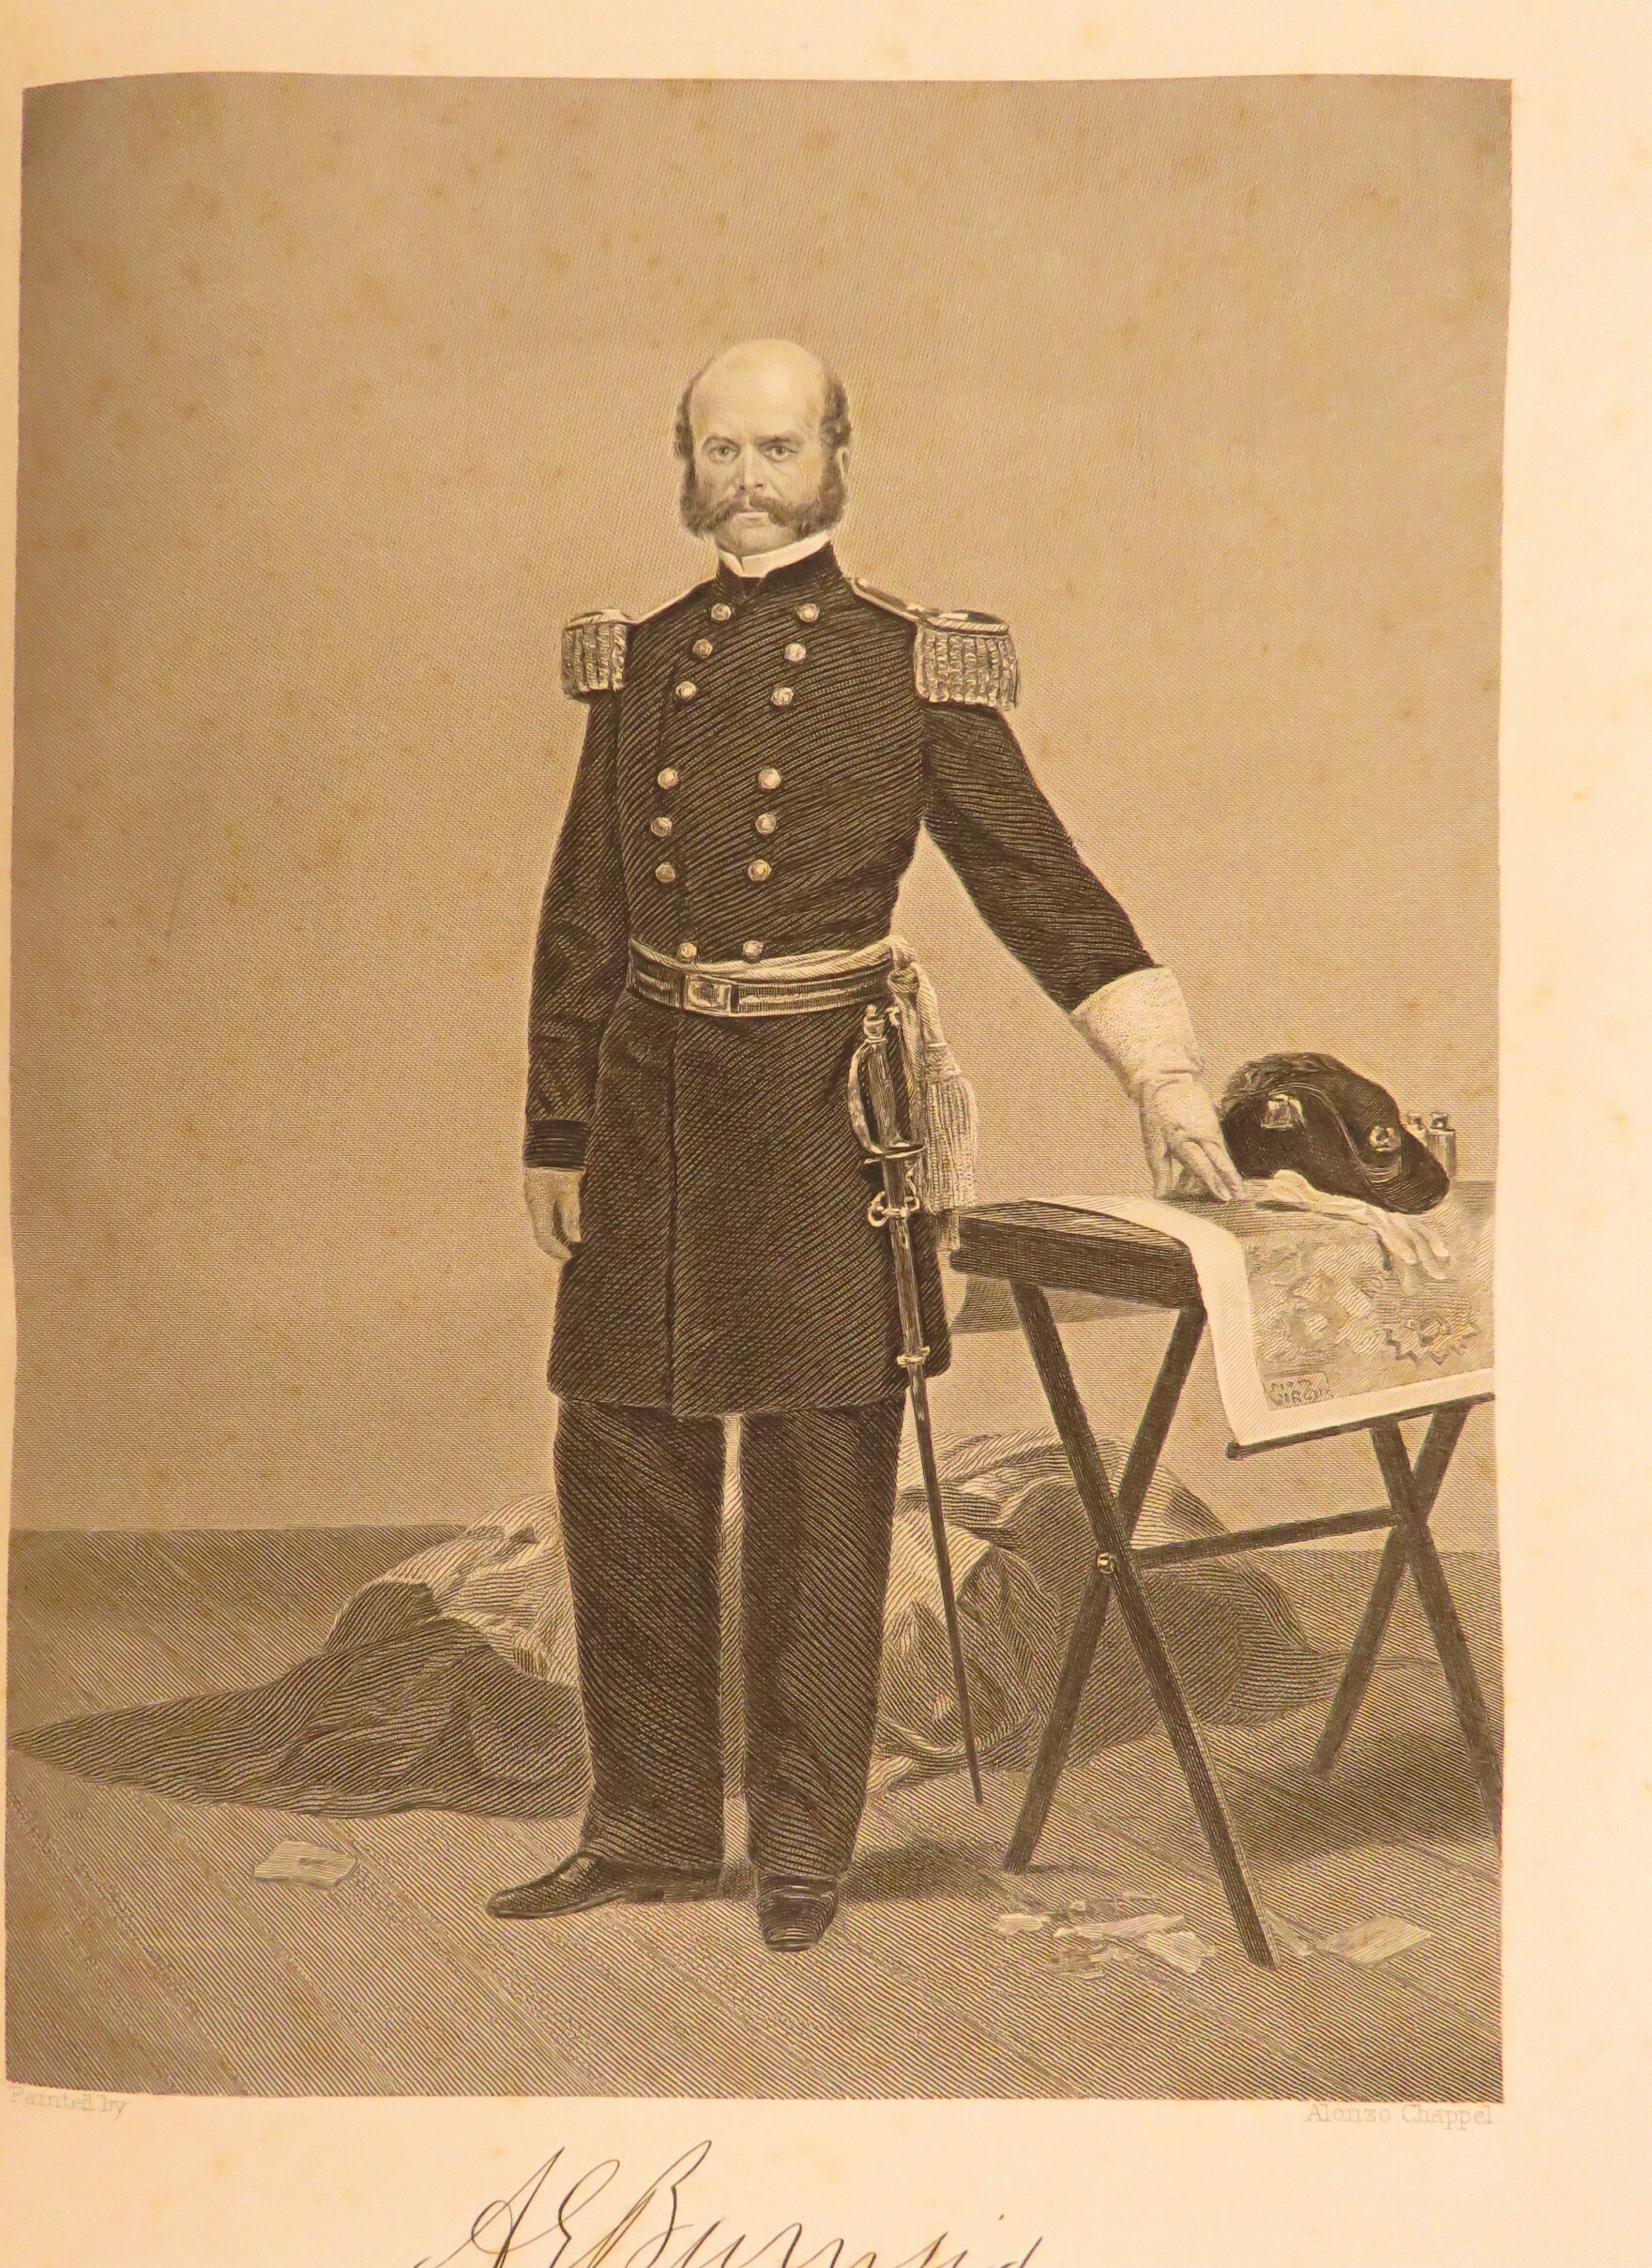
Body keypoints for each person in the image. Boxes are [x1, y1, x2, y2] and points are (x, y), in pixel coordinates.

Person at [488, 339, 1244, 1951]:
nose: (745, 483)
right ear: (683, 462)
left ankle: (803, 1848)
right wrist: (558, 1122)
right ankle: (648, 1828)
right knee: (620, 1456)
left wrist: (1164, 1078)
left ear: (839, 456)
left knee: (823, 1472)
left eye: (777, 450)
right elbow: (584, 911)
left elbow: (1036, 877)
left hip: (819, 1108)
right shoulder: (642, 659)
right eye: (718, 452)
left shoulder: (910, 666)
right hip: (648, 1103)